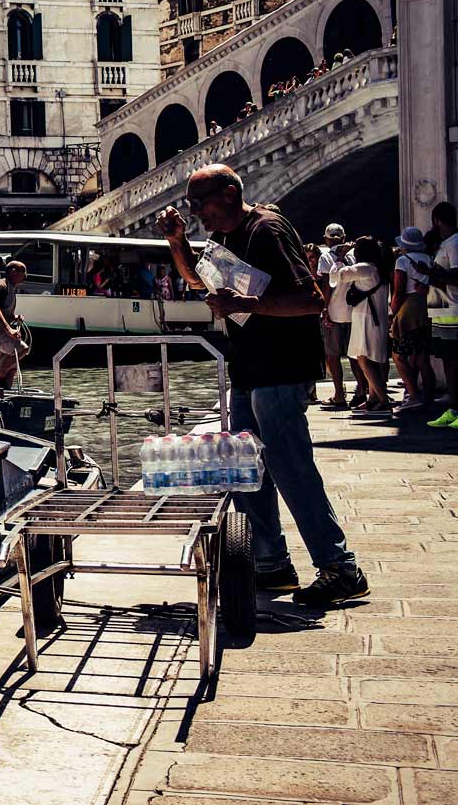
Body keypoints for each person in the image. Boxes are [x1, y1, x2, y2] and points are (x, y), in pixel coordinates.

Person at [157, 163, 366, 608]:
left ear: (229, 193)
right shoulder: (225, 239)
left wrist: (245, 303)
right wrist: (177, 242)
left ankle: (340, 567)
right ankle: (271, 563)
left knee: (290, 467)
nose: (196, 213)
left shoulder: (267, 229)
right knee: (245, 469)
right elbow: (196, 279)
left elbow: (310, 300)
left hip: (282, 367)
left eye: (200, 203)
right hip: (249, 368)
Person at [333, 237, 392, 413]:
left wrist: (340, 257)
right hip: (375, 318)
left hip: (366, 318)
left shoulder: (364, 268)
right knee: (371, 358)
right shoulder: (379, 268)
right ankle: (373, 398)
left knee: (363, 358)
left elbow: (338, 276)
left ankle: (383, 400)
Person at [391, 227, 436, 415]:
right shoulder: (429, 259)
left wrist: (393, 312)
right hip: (426, 307)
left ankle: (413, 395)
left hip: (408, 308)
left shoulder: (402, 261)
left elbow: (399, 290)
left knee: (398, 356)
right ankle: (429, 398)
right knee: (422, 358)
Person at [314, 225, 359, 411]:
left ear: (326, 240)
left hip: (334, 312)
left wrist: (325, 309)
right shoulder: (354, 255)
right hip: (353, 311)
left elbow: (327, 285)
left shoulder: (325, 257)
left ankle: (339, 394)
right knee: (355, 355)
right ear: (344, 237)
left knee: (333, 356)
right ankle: (361, 391)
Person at [421, 202, 458, 427]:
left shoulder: (454, 243)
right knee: (447, 361)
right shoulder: (446, 244)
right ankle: (453, 408)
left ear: (437, 220)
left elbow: (456, 277)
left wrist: (431, 272)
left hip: (453, 312)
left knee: (453, 362)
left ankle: (455, 409)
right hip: (442, 311)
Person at [0, 261, 30, 389]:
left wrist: (15, 317)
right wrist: (9, 330)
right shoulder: (0, 286)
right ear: (13, 272)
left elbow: (5, 312)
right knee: (23, 349)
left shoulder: (11, 289)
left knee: (12, 367)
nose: (25, 275)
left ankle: (5, 391)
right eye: (23, 272)